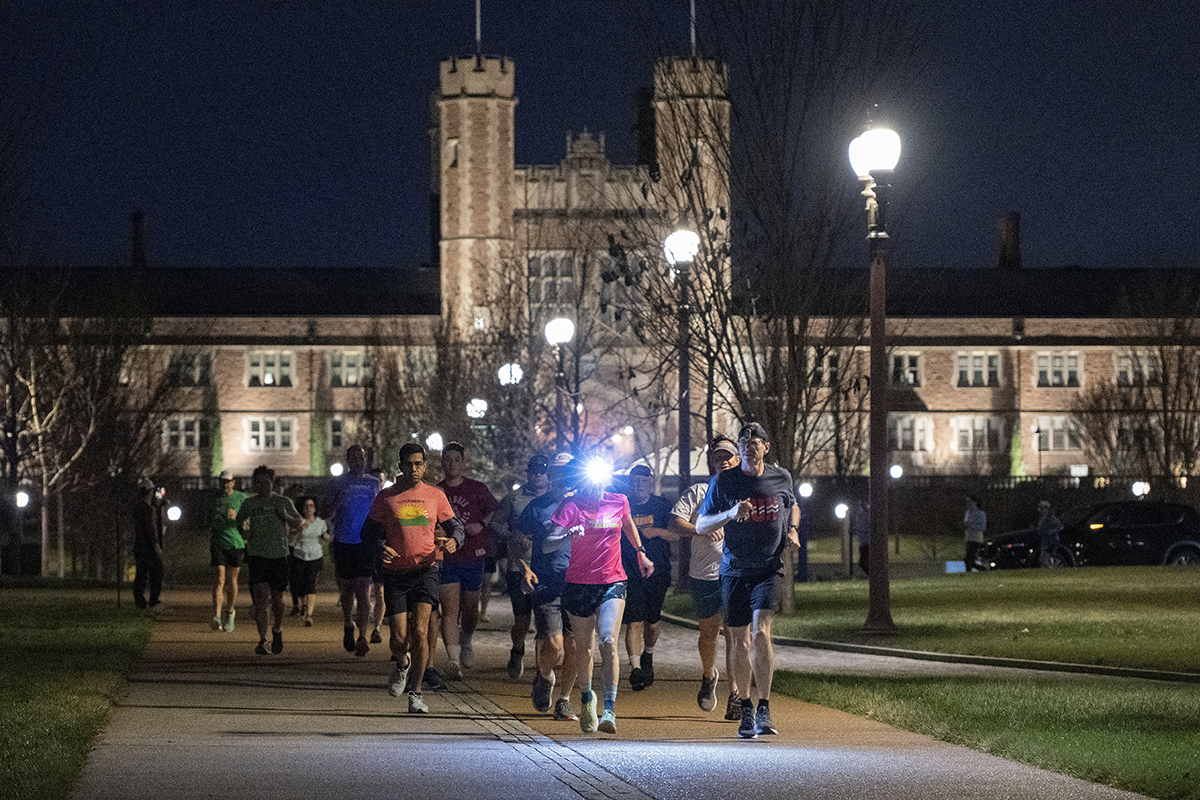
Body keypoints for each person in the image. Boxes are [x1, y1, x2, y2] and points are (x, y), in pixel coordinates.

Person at [696, 422, 799, 739]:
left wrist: (793, 529)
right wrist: (729, 514)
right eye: (744, 441)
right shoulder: (725, 481)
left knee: (761, 633)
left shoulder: (780, 478)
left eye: (755, 440)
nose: (748, 445)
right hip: (734, 569)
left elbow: (792, 505)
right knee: (739, 639)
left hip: (768, 568)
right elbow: (701, 524)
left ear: (766, 447)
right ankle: (745, 706)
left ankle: (765, 706)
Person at [549, 460, 654, 736]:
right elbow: (547, 543)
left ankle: (609, 709)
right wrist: (564, 535)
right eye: (590, 481)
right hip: (579, 584)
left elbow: (628, 525)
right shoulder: (570, 505)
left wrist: (641, 552)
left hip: (612, 580)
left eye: (600, 480)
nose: (596, 486)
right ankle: (586, 699)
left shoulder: (619, 501)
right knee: (583, 649)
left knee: (608, 639)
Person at [361, 442, 463, 714]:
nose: (414, 469)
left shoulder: (435, 495)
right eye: (409, 464)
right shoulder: (387, 497)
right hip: (395, 573)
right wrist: (381, 545)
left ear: (425, 466)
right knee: (399, 639)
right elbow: (367, 532)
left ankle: (416, 692)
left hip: (426, 570)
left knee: (420, 631)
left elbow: (455, 525)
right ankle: (402, 664)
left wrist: (454, 540)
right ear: (400, 467)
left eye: (419, 464)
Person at [669, 435, 743, 719]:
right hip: (704, 574)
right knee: (709, 632)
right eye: (718, 458)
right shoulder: (699, 491)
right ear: (712, 462)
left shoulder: (746, 494)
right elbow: (675, 522)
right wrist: (700, 528)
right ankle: (708, 675)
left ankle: (735, 693)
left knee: (735, 635)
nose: (723, 462)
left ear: (737, 460)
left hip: (735, 573)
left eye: (728, 457)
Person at [517, 453, 581, 721]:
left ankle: (565, 700)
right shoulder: (536, 507)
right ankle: (544, 675)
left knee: (575, 644)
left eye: (567, 472)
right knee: (555, 644)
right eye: (557, 472)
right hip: (546, 581)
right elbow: (516, 541)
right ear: (551, 475)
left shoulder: (586, 505)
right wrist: (524, 568)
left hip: (579, 582)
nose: (561, 477)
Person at [436, 441, 498, 679]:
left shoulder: (477, 489)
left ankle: (467, 639)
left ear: (463, 463)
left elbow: (494, 510)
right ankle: (453, 660)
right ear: (442, 462)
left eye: (456, 459)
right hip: (448, 557)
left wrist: (481, 524)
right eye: (447, 459)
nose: (452, 463)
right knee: (450, 609)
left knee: (471, 608)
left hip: (473, 554)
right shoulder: (437, 491)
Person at [491, 454, 550, 680]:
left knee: (544, 620)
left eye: (542, 471)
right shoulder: (514, 498)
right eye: (534, 471)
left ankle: (541, 669)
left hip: (548, 567)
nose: (537, 475)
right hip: (520, 565)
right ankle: (517, 649)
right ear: (528, 473)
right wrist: (511, 536)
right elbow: (495, 522)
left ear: (547, 473)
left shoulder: (556, 498)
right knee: (522, 620)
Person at [618, 464, 675, 691]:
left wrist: (658, 531)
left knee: (652, 623)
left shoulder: (661, 506)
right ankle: (635, 668)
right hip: (629, 571)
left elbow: (677, 536)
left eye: (643, 481)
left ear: (650, 483)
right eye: (634, 481)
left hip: (658, 571)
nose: (638, 485)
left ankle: (648, 655)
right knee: (634, 621)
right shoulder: (623, 505)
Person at [322, 444, 382, 657]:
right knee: (347, 589)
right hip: (344, 541)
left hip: (365, 542)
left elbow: (382, 511)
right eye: (353, 458)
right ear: (347, 461)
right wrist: (338, 502)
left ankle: (362, 636)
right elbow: (323, 512)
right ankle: (348, 623)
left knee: (363, 590)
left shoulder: (374, 483)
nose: (358, 461)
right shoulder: (337, 483)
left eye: (361, 457)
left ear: (365, 460)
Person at [237, 465, 303, 655]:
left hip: (279, 555)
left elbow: (298, 521)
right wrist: (244, 535)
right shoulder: (250, 503)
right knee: (261, 598)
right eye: (257, 482)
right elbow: (239, 523)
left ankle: (277, 629)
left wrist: (287, 520)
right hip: (257, 555)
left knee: (277, 599)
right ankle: (263, 640)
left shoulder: (282, 501)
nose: (261, 486)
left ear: (272, 482)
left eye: (265, 482)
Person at [210, 471, 248, 632]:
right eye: (223, 481)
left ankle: (230, 612)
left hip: (235, 542)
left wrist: (237, 516)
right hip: (218, 542)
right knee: (219, 579)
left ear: (233, 482)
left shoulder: (241, 497)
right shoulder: (214, 499)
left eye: (228, 481)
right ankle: (216, 615)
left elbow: (248, 517)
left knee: (232, 580)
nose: (225, 484)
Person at [290, 497, 328, 625]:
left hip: (315, 556)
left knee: (311, 584)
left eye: (311, 505)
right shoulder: (298, 521)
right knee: (299, 584)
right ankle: (303, 604)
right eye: (306, 506)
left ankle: (309, 615)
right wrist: (299, 529)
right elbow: (290, 536)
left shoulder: (321, 523)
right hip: (299, 554)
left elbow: (325, 535)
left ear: (315, 508)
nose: (309, 508)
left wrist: (327, 536)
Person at [132, 479, 166, 609]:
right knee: (154, 572)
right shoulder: (144, 508)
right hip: (146, 547)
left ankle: (142, 601)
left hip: (141, 546)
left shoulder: (143, 507)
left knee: (143, 573)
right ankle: (150, 600)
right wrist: (156, 544)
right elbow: (150, 529)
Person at [366, 468, 390, 646]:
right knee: (364, 591)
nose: (377, 482)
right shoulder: (365, 500)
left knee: (380, 592)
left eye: (379, 480)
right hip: (366, 549)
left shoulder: (389, 500)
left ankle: (377, 628)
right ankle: (360, 629)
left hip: (383, 551)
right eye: (374, 479)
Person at [1036, 499, 1063, 568]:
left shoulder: (1052, 519)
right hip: (1045, 542)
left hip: (1052, 541)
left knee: (1051, 557)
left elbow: (1059, 528)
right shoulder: (1042, 519)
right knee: (1043, 558)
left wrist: (1049, 533)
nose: (1041, 510)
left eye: (1042, 508)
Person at [964, 494, 987, 571]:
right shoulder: (968, 513)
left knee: (969, 558)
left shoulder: (980, 513)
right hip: (969, 538)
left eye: (969, 501)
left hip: (976, 539)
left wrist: (970, 526)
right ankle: (982, 569)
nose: (967, 503)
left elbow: (982, 527)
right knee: (970, 559)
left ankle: (972, 571)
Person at [850, 498, 870, 576]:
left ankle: (872, 575)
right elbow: (859, 526)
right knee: (863, 561)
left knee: (863, 561)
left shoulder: (868, 515)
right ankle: (871, 574)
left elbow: (863, 527)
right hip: (863, 542)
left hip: (867, 542)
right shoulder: (860, 515)